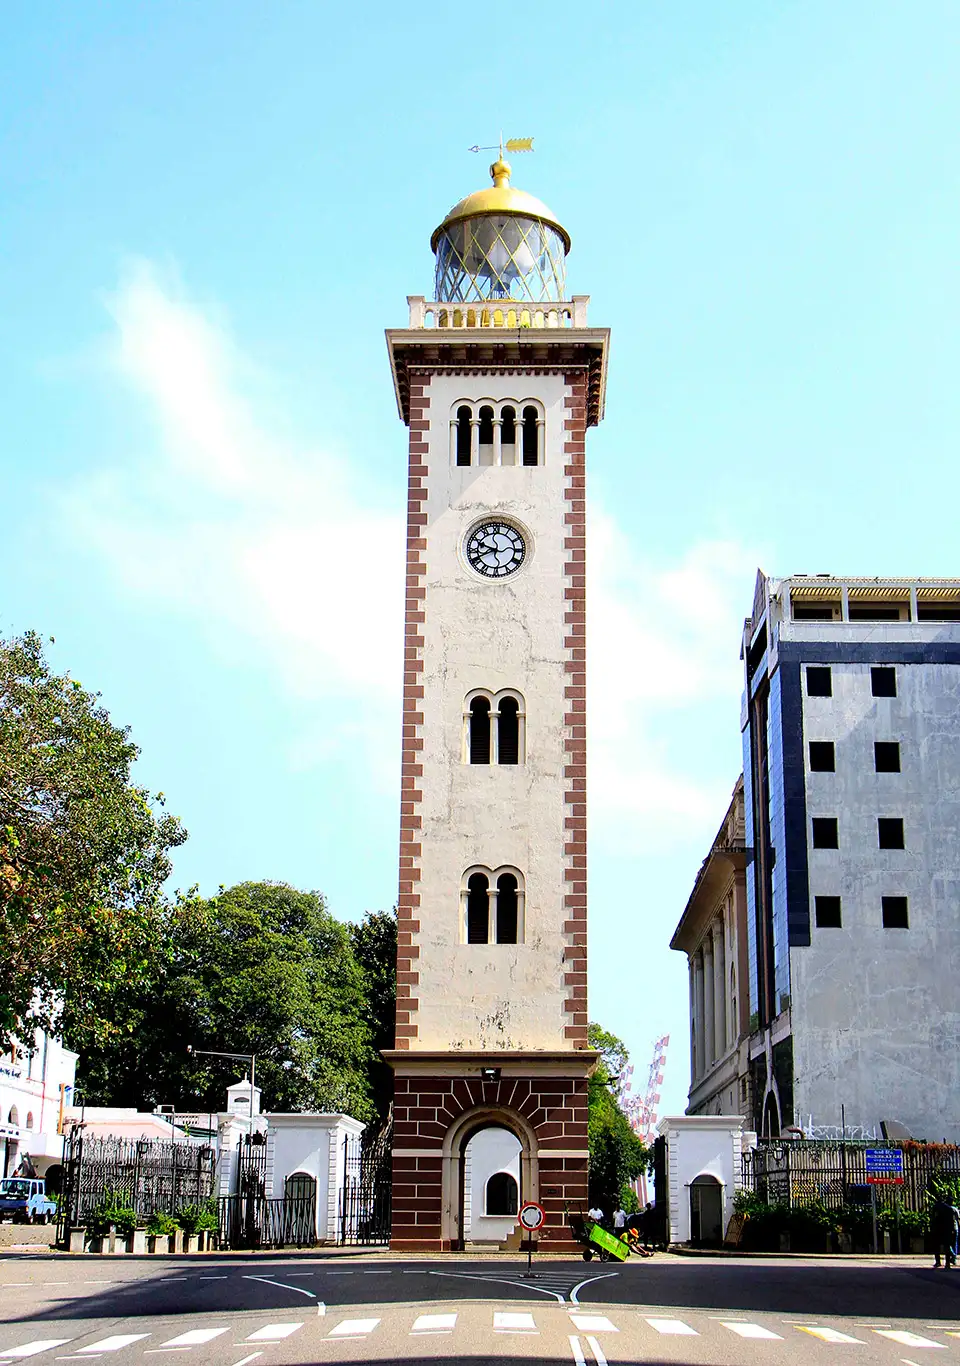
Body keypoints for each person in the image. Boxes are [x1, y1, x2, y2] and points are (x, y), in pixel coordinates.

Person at [931, 1196, 960, 1268]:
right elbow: (952, 1220)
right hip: (947, 1230)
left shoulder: (936, 1207)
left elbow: (934, 1218)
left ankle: (938, 1262)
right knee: (947, 1246)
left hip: (938, 1229)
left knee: (936, 1246)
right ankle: (947, 1263)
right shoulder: (949, 1209)